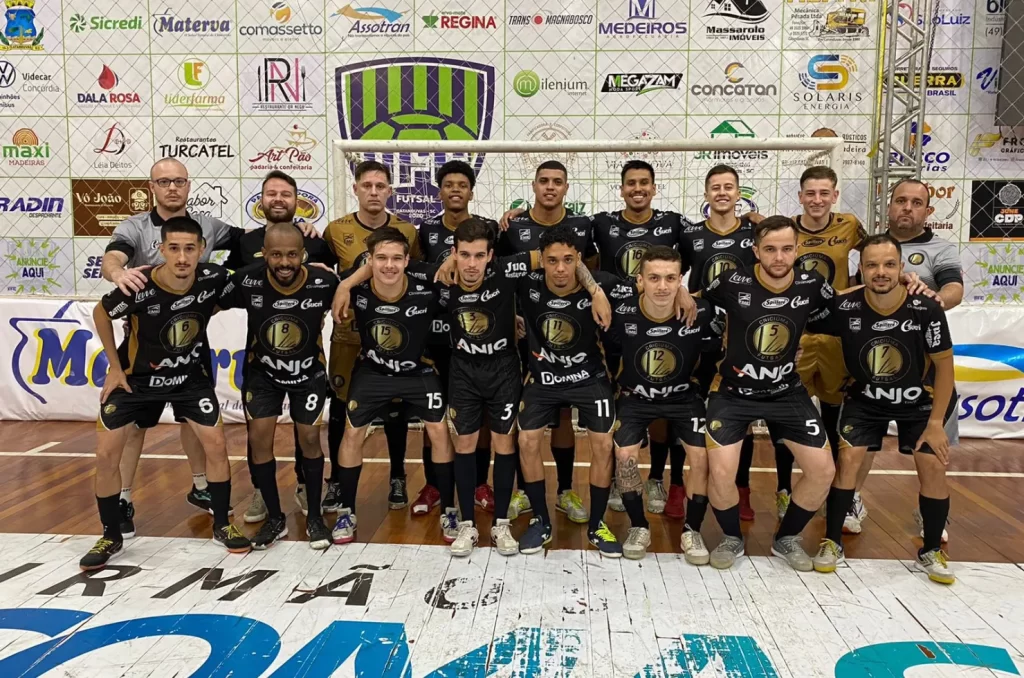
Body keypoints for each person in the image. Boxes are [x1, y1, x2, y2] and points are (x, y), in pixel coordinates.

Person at [82, 217, 251, 570]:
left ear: (202, 250)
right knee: (105, 454)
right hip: (137, 381)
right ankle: (110, 534)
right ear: (161, 250)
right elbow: (101, 313)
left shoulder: (213, 278)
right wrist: (115, 367)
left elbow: (246, 284)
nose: (182, 257)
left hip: (190, 378)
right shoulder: (139, 285)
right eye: (174, 249)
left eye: (190, 249)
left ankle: (222, 524)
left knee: (217, 445)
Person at [99, 158, 242, 535]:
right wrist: (118, 273)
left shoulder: (207, 226)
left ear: (188, 185)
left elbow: (249, 243)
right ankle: (124, 499)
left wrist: (300, 237)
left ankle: (202, 489)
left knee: (195, 422)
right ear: (152, 187)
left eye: (178, 181)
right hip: (144, 342)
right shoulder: (135, 227)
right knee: (133, 428)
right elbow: (113, 256)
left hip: (190, 337)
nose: (172, 188)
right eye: (164, 182)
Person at [813, 233, 956, 584]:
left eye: (889, 264)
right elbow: (802, 315)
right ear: (860, 269)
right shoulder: (845, 307)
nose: (881, 272)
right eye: (872, 265)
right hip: (865, 399)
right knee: (847, 459)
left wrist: (936, 422)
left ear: (902, 268)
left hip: (918, 401)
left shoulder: (926, 307)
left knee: (932, 464)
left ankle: (931, 549)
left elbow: (946, 366)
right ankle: (832, 541)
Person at [702, 216, 836, 571]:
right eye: (771, 249)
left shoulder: (812, 284)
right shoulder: (732, 281)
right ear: (756, 250)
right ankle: (731, 537)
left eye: (787, 249)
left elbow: (843, 309)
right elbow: (697, 303)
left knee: (823, 470)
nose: (779, 257)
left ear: (797, 249)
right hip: (733, 391)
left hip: (786, 391)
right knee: (720, 472)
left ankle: (786, 538)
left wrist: (906, 283)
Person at [845, 179, 964, 539]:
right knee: (861, 445)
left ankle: (933, 511)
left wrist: (933, 297)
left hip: (923, 372)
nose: (907, 208)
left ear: (928, 211)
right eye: (900, 201)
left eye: (916, 203)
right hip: (874, 369)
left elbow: (954, 289)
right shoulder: (870, 249)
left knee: (934, 448)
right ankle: (851, 500)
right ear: (889, 205)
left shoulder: (940, 249)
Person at [328, 227, 454, 544]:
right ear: (369, 261)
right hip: (373, 373)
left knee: (439, 430)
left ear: (407, 260)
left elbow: (467, 296)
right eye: (381, 258)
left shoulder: (428, 290)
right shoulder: (356, 291)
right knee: (352, 432)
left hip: (418, 373)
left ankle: (450, 509)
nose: (389, 266)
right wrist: (345, 283)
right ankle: (346, 511)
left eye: (397, 258)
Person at [224, 171, 337, 524]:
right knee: (258, 434)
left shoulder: (318, 248)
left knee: (309, 435)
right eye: (270, 193)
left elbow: (342, 292)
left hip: (307, 362)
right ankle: (266, 501)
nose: (284, 262)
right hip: (262, 361)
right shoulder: (244, 248)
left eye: (285, 193)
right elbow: (213, 296)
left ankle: (310, 498)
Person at [498, 160, 598, 525]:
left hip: (567, 334)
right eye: (544, 181)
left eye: (557, 182)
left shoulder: (583, 226)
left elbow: (590, 265)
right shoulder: (514, 225)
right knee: (525, 421)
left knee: (562, 417)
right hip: (523, 335)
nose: (550, 187)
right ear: (534, 185)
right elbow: (499, 273)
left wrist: (596, 291)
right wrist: (509, 315)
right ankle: (525, 490)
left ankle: (566, 489)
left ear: (566, 188)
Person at [321, 161, 422, 516]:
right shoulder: (335, 230)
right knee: (339, 406)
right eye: (367, 186)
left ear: (391, 190)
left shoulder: (408, 231)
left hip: (394, 336)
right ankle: (335, 480)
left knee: (396, 407)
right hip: (350, 336)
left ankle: (397, 476)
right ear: (356, 189)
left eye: (381, 186)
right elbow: (317, 269)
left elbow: (416, 275)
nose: (374, 192)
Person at [591, 160, 690, 519]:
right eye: (631, 183)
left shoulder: (673, 223)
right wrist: (597, 291)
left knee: (662, 395)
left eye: (644, 183)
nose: (637, 188)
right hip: (617, 323)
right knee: (624, 398)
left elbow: (689, 260)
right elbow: (577, 258)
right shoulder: (601, 223)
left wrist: (681, 292)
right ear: (621, 189)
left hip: (660, 317)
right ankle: (623, 477)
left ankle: (656, 478)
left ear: (653, 187)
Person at [606, 246, 718, 560]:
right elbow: (609, 352)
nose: (662, 286)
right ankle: (638, 526)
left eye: (671, 278)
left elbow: (719, 348)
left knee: (701, 457)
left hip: (684, 397)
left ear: (680, 280)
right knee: (625, 453)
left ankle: (692, 530)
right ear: (640, 280)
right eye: (654, 278)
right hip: (636, 397)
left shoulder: (701, 312)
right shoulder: (623, 312)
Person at [515, 225, 621, 555]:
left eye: (568, 260)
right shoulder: (526, 283)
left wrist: (596, 291)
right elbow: (491, 267)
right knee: (527, 439)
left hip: (589, 378)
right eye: (552, 261)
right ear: (540, 261)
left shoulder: (604, 284)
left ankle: (597, 524)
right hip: (544, 379)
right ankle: (541, 520)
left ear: (579, 260)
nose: (560, 269)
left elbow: (648, 285)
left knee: (603, 443)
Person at [770, 166, 865, 520]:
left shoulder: (850, 226)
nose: (817, 200)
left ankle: (833, 491)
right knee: (784, 417)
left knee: (832, 416)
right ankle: (783, 489)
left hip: (835, 337)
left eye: (824, 193)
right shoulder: (786, 231)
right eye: (810, 193)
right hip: (796, 336)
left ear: (835, 196)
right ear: (800, 196)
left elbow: (875, 258)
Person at [416, 161, 499, 516]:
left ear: (470, 190)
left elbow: (501, 269)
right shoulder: (426, 229)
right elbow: (414, 271)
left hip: (476, 334)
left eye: (461, 185)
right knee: (433, 414)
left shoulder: (488, 229)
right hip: (436, 336)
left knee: (477, 416)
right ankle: (434, 484)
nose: (455, 190)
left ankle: (480, 481)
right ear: (440, 191)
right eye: (448, 184)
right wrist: (439, 269)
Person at [678, 164, 759, 522]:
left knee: (742, 416)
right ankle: (676, 486)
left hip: (742, 336)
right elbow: (667, 269)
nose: (722, 192)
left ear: (739, 193)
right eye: (715, 187)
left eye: (729, 187)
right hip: (697, 332)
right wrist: (682, 292)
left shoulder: (755, 231)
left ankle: (741, 491)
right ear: (707, 194)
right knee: (684, 407)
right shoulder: (690, 234)